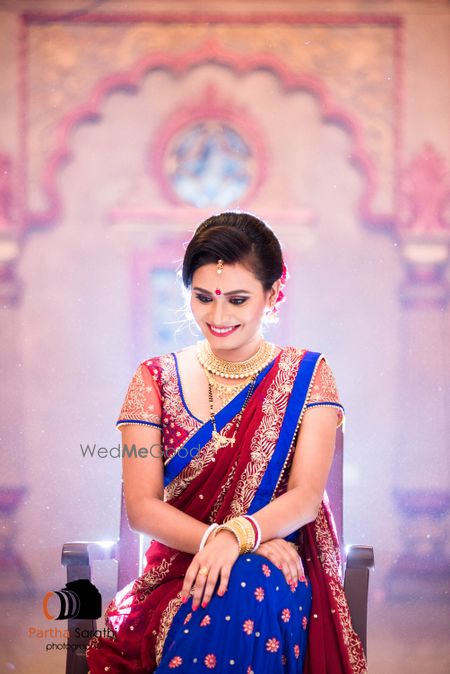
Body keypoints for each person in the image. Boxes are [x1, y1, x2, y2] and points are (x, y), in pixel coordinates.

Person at [86, 212, 367, 674]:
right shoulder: (152, 380)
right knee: (238, 578)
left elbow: (304, 499)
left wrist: (240, 538)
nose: (217, 317)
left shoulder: (308, 376)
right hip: (180, 577)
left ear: (273, 294)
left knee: (249, 582)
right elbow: (141, 507)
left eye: (238, 300)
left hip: (276, 577)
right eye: (202, 298)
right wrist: (218, 540)